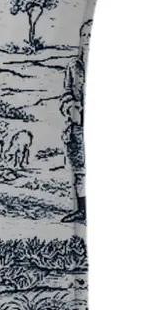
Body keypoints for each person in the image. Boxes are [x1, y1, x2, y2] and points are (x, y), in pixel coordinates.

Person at [60, 20, 91, 223]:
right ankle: (81, 209)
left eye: (90, 35)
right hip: (77, 124)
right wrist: (71, 106)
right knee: (79, 168)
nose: (87, 40)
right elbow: (66, 93)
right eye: (84, 36)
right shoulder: (74, 66)